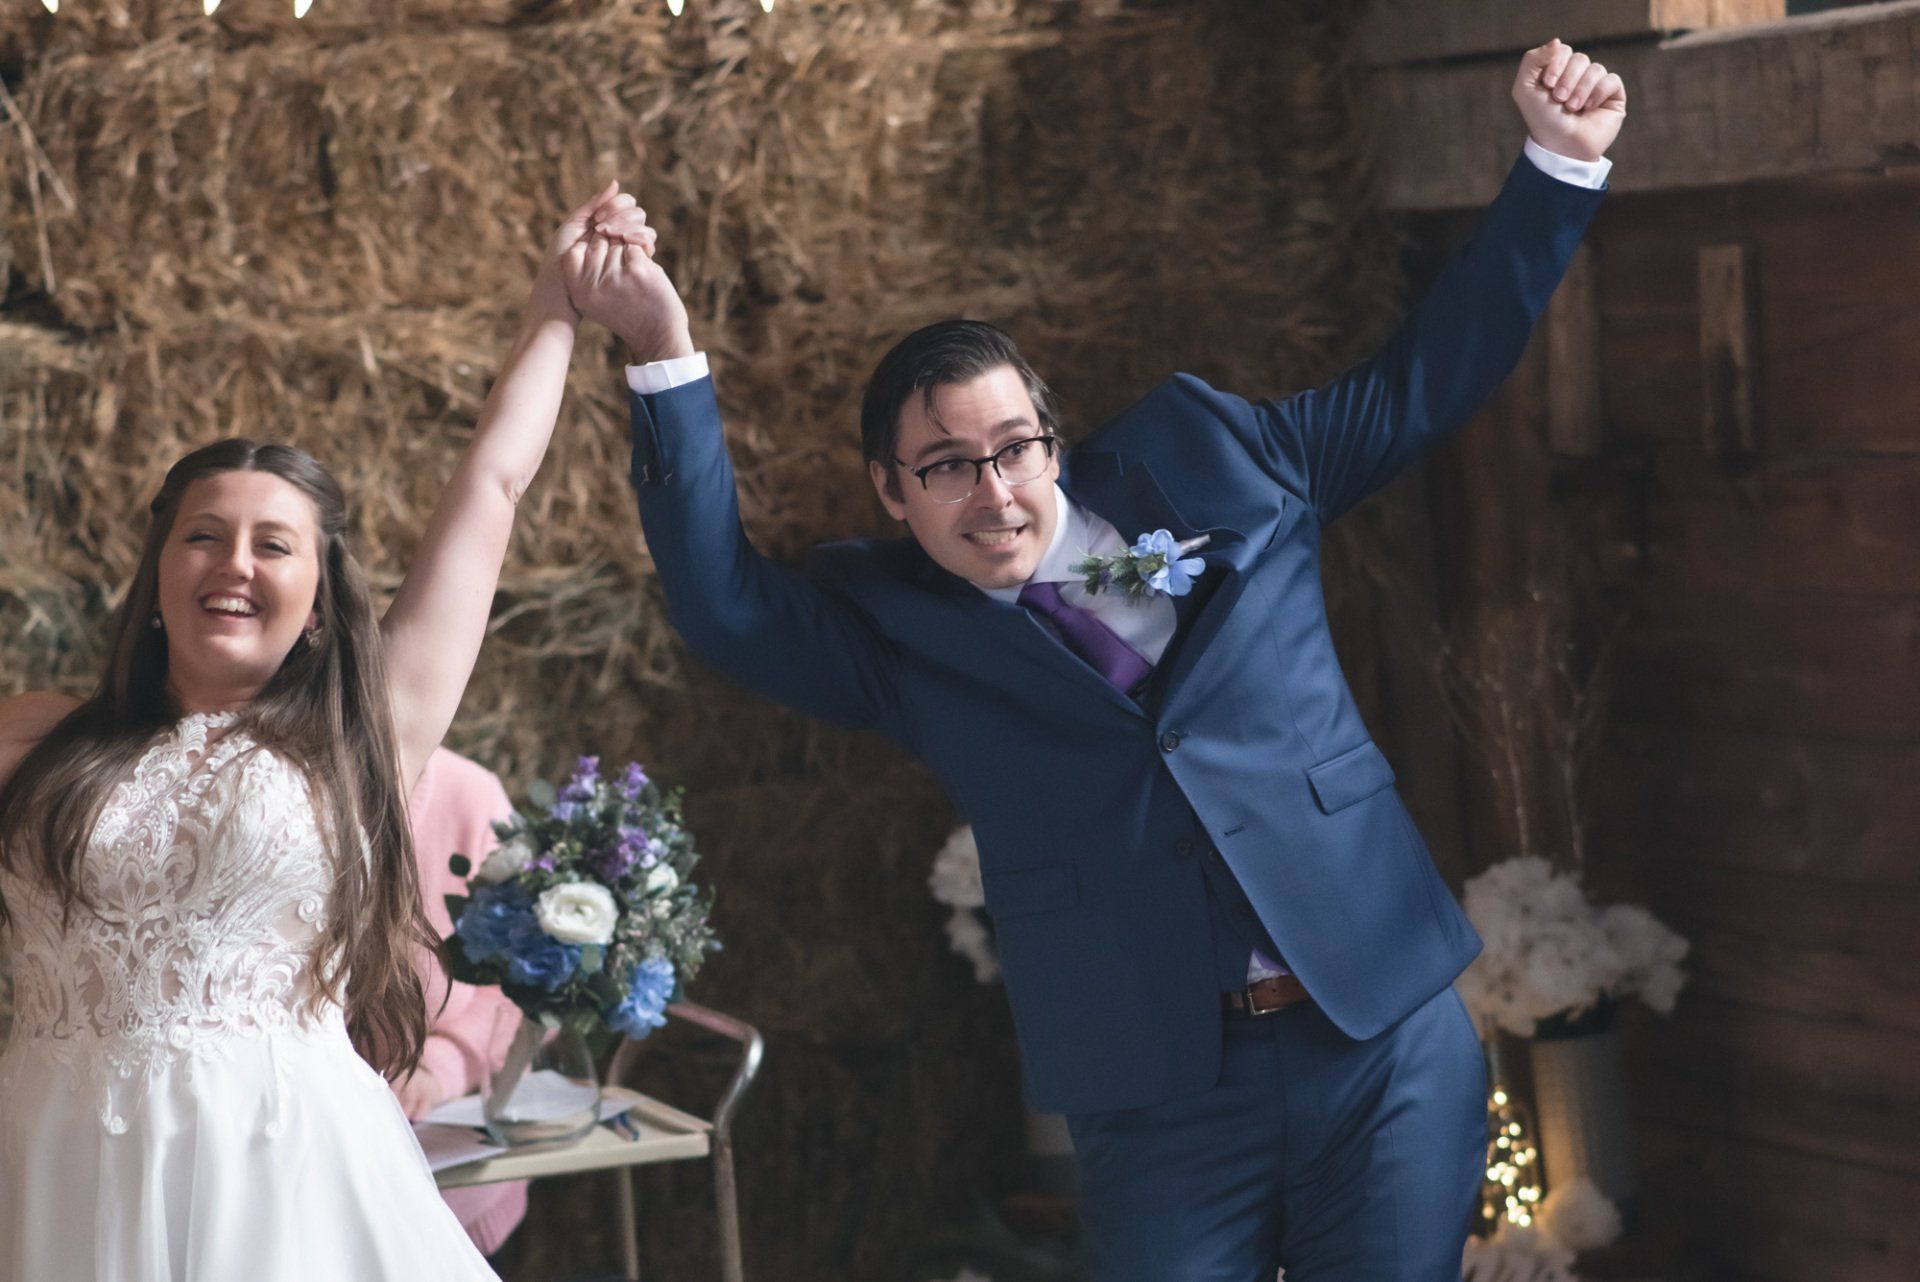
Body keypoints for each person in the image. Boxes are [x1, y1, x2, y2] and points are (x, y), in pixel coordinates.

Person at [574, 38, 1625, 1282]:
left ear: (1055, 445)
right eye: (948, 467)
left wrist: (1558, 164)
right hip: (1160, 1093)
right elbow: (724, 605)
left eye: (1014, 448)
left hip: (1378, 1029)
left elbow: (1421, 382)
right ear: (891, 492)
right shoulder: (903, 638)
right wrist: (660, 349)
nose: (995, 491)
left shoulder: (1230, 465)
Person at [0, 185, 655, 1281]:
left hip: (284, 1167)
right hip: (58, 1153)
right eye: (203, 536)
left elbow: (495, 484)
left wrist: (558, 305)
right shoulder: (39, 736)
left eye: (273, 544)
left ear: (316, 599)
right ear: (157, 581)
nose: (236, 563)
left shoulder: (362, 738)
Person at [394, 747, 531, 1258]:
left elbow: (523, 977)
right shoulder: (272, 790)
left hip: (449, 1181)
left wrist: (443, 1066)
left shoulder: (472, 796)